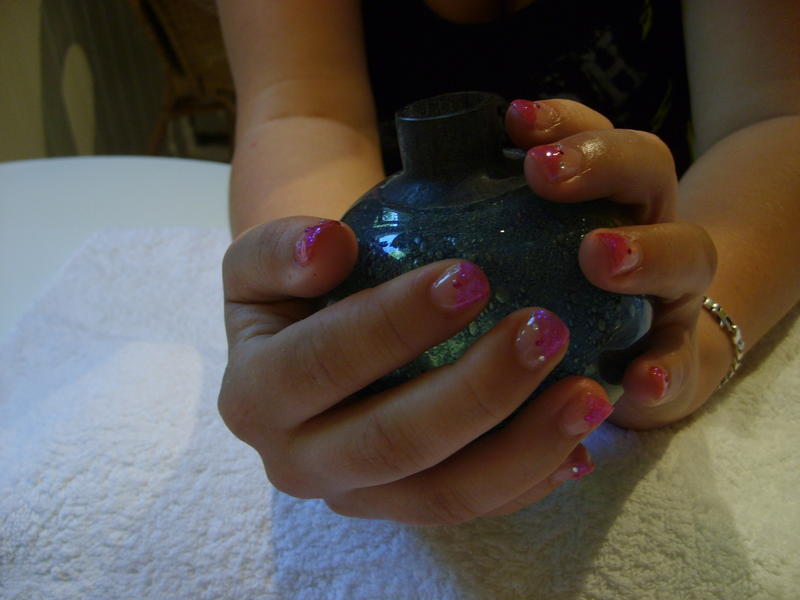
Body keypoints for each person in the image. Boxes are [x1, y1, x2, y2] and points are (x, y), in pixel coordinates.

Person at [214, 0, 800, 525]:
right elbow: (302, 112)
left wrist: (691, 334)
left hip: (684, 221)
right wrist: (331, 340)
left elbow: (775, 113)